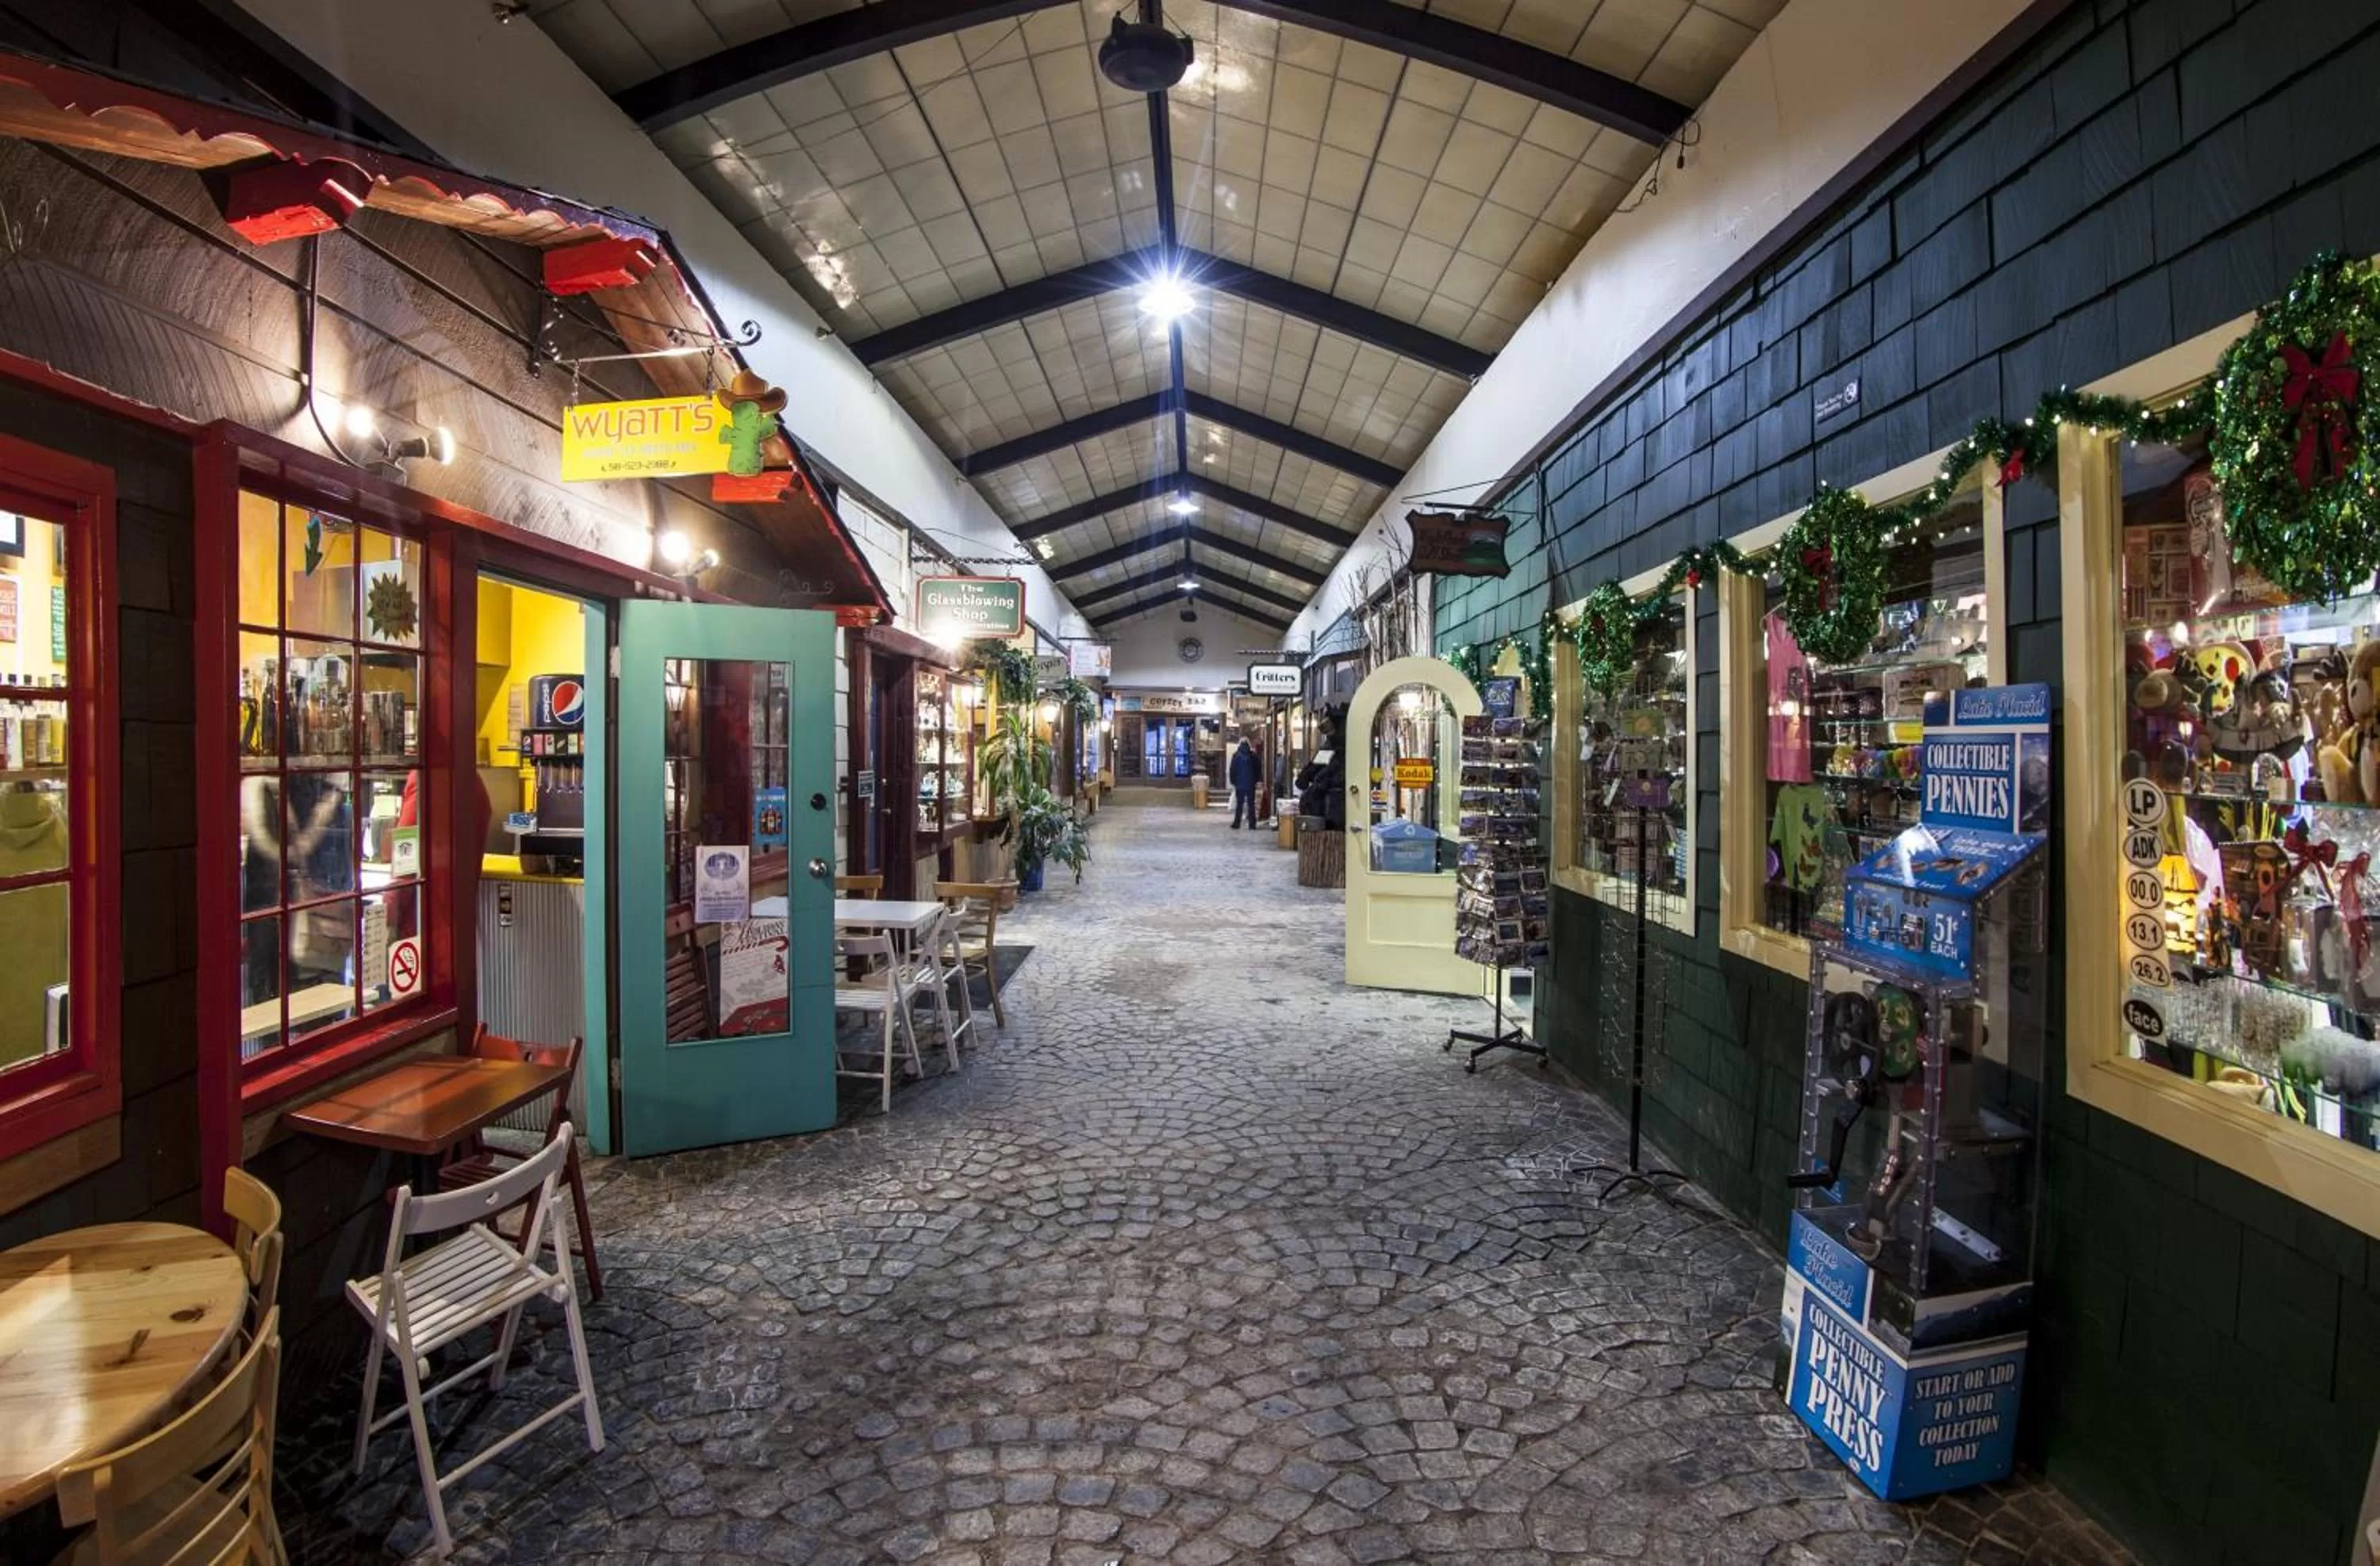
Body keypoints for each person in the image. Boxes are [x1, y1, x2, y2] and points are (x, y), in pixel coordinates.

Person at [1229, 738, 1260, 829]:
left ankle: (1237, 823)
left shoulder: (1236, 755)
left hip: (1239, 783)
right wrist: (1256, 780)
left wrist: (1233, 781)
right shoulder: (1254, 756)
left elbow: (1233, 769)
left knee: (1239, 804)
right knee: (1251, 804)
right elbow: (1258, 769)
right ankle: (1252, 824)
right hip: (1250, 783)